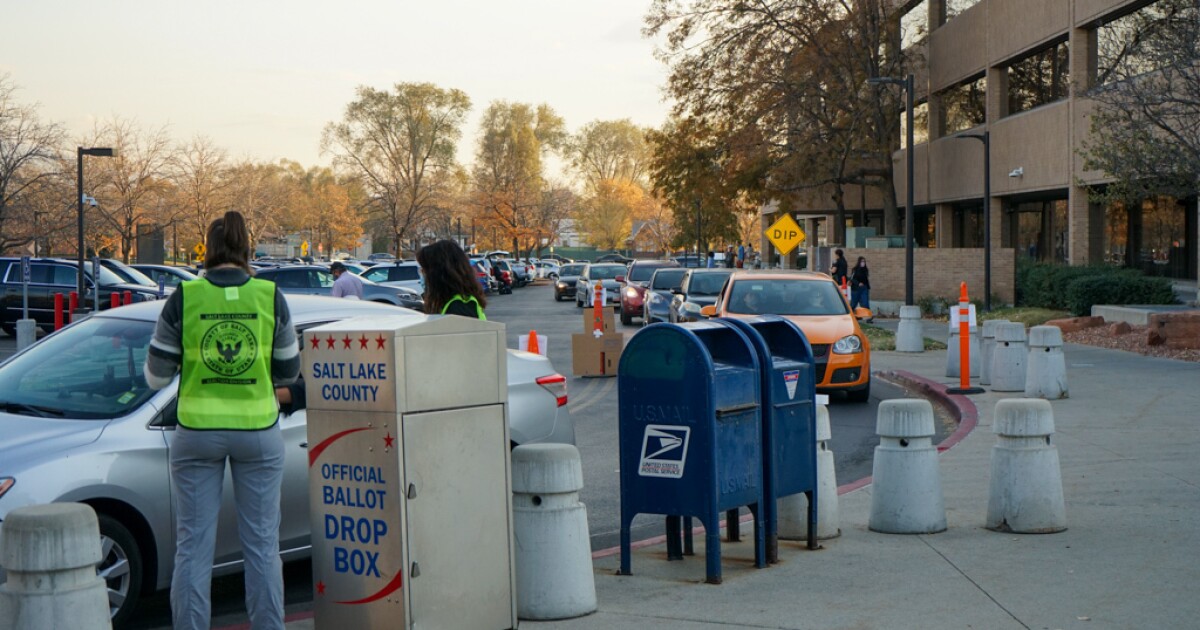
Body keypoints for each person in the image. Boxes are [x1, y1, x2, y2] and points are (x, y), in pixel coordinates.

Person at [145, 210, 299, 630]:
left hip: (197, 432)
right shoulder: (269, 296)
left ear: (208, 250)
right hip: (258, 431)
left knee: (193, 548)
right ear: (246, 247)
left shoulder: (185, 297)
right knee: (263, 546)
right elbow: (288, 373)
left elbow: (156, 377)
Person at [416, 239, 487, 319]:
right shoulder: (455, 302)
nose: (422, 274)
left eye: (424, 270)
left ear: (437, 274)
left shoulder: (459, 307)